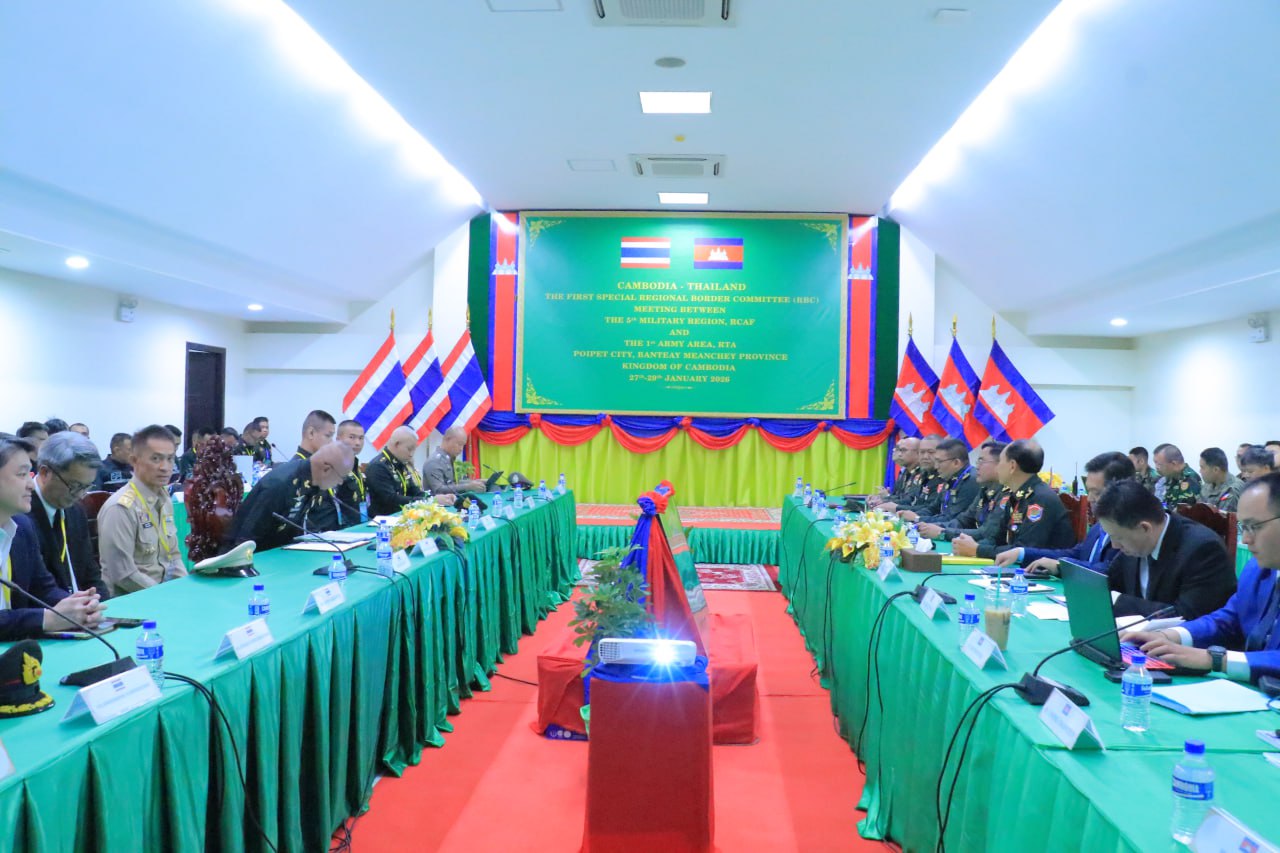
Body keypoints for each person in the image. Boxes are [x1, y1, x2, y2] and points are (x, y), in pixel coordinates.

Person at [1124, 473, 1280, 681]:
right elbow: (1229, 619)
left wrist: (1216, 660)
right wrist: (1170, 635)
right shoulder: (1258, 569)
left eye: (1255, 526)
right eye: (1244, 527)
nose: (1246, 539)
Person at [0, 437, 105, 640]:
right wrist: (46, 619)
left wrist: (80, 607)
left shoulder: (21, 527)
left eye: (29, 474)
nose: (31, 485)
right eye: (21, 474)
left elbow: (43, 589)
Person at [1093, 479, 1235, 619]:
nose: (1115, 546)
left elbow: (1186, 616)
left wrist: (1118, 601)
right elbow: (1109, 578)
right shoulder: (1134, 542)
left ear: (1144, 528)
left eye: (1118, 537)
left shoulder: (1203, 550)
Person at [993, 451, 1132, 576]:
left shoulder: (1130, 528)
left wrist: (1060, 566)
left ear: (1121, 490)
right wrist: (1021, 553)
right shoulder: (1099, 526)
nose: (1090, 499)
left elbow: (1109, 570)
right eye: (1088, 491)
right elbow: (1076, 553)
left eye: (1097, 493)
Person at [97, 425, 187, 596]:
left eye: (170, 459)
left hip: (162, 594)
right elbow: (124, 575)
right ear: (134, 461)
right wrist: (166, 596)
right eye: (156, 459)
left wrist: (185, 588)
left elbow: (174, 557)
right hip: (132, 601)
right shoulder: (120, 508)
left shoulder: (165, 500)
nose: (165, 467)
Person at [951, 439, 1074, 559]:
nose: (997, 468)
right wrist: (970, 545)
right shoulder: (1016, 495)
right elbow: (997, 538)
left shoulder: (1040, 499)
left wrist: (978, 550)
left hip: (1041, 570)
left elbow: (1024, 550)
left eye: (1000, 462)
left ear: (1012, 466)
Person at [229, 441, 354, 551]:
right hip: (252, 555)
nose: (340, 482)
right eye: (342, 477)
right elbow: (245, 539)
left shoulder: (313, 483)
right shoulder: (281, 484)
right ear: (326, 469)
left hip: (280, 551)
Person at [25, 432, 108, 597]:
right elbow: (34, 591)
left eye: (87, 487)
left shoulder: (76, 510)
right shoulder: (22, 515)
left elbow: (90, 572)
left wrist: (104, 604)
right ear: (45, 472)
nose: (81, 495)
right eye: (75, 486)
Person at [917, 441, 1006, 543]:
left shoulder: (1004, 494)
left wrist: (942, 532)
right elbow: (963, 520)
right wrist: (933, 527)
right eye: (978, 461)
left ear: (1000, 465)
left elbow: (985, 533)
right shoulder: (985, 489)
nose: (977, 466)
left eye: (982, 461)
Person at [898, 438, 979, 526]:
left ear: (956, 463)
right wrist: (911, 515)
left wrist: (917, 518)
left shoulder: (970, 480)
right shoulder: (950, 477)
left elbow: (952, 518)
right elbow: (933, 508)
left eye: (939, 462)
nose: (936, 466)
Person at [368, 426, 427, 516]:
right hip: (384, 519)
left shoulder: (399, 463)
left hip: (402, 516)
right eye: (409, 449)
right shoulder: (378, 466)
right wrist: (423, 500)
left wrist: (432, 499)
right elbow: (391, 499)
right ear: (397, 444)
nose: (411, 454)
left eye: (414, 449)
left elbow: (413, 490)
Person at [877, 435, 941, 514]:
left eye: (931, 452)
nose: (925, 456)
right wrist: (885, 501)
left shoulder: (942, 478)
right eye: (922, 452)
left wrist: (895, 506)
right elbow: (911, 499)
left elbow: (932, 509)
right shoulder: (923, 474)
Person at [423, 426, 487, 497]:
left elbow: (453, 483)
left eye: (463, 445)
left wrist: (475, 482)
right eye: (459, 444)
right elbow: (439, 490)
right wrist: (468, 487)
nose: (461, 449)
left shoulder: (448, 458)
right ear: (448, 439)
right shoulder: (434, 462)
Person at [334, 419, 368, 525]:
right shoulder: (333, 467)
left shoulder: (355, 465)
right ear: (338, 440)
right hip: (343, 529)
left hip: (360, 523)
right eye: (352, 437)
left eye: (361, 438)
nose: (357, 443)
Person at [872, 437, 920, 506]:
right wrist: (882, 499)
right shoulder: (905, 472)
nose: (899, 454)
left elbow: (911, 501)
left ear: (918, 453)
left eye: (903, 450)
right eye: (897, 449)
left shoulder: (922, 474)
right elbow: (899, 496)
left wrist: (886, 499)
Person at [1152, 443, 1202, 508]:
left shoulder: (1190, 480)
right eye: (1155, 463)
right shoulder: (1169, 478)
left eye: (1159, 464)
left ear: (1174, 463)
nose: (1156, 467)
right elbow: (1165, 503)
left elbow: (1182, 510)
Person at [1198, 447, 1245, 512]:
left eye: (1202, 468)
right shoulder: (1208, 484)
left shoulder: (1232, 489)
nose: (1200, 471)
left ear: (1216, 470)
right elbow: (1198, 509)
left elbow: (1221, 517)